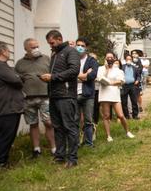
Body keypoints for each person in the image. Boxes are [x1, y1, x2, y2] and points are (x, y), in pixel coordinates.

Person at [40, 30, 80, 167]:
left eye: (52, 43)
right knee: (57, 127)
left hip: (66, 96)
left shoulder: (71, 51)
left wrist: (52, 77)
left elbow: (74, 71)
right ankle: (60, 156)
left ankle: (72, 158)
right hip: (54, 96)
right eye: (49, 44)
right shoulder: (55, 54)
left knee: (70, 127)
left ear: (59, 39)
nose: (50, 46)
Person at [0, 41, 25, 168]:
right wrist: (18, 77)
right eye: (7, 50)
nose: (9, 52)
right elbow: (16, 80)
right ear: (2, 51)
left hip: (9, 107)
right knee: (5, 137)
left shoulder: (2, 66)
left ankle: (3, 161)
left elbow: (16, 78)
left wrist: (17, 77)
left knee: (8, 136)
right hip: (5, 108)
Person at [15, 37, 56, 157]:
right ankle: (36, 149)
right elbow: (17, 79)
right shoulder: (20, 63)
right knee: (33, 124)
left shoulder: (46, 59)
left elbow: (54, 75)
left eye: (37, 46)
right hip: (28, 98)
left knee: (49, 123)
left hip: (45, 97)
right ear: (26, 49)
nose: (36, 49)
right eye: (33, 47)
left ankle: (54, 148)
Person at [97, 52, 135, 142]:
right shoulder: (100, 68)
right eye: (107, 57)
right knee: (106, 116)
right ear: (105, 59)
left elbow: (121, 81)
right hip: (104, 95)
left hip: (114, 95)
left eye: (111, 57)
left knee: (121, 115)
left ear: (114, 59)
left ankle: (127, 131)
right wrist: (106, 70)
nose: (109, 59)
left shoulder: (118, 70)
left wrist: (108, 82)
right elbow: (100, 79)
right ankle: (108, 136)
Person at [75, 37, 98, 148]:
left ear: (86, 48)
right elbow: (67, 75)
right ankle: (76, 143)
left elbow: (92, 76)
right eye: (78, 45)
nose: (80, 47)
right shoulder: (72, 59)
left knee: (88, 120)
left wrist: (78, 76)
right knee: (75, 120)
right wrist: (84, 75)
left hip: (88, 94)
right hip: (73, 93)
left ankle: (88, 143)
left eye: (82, 46)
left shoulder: (91, 61)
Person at [121, 53, 141, 119]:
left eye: (130, 59)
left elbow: (138, 76)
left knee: (134, 101)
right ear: (125, 60)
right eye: (127, 59)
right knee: (124, 102)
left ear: (131, 60)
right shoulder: (122, 67)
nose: (128, 60)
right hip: (124, 86)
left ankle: (135, 115)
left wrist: (137, 80)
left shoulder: (135, 68)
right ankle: (126, 116)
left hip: (132, 85)